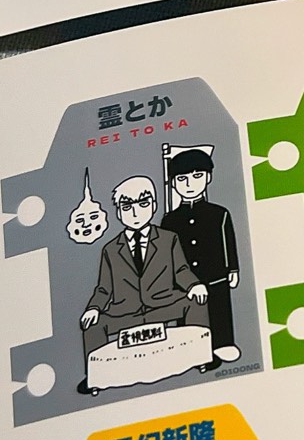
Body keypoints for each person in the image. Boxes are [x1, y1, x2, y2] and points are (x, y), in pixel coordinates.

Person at [78, 176, 208, 391]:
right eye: (127, 206)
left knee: (195, 302)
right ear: (118, 212)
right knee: (93, 324)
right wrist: (93, 308)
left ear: (154, 206)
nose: (135, 212)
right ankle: (96, 379)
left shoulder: (169, 239)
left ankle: (200, 358)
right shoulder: (110, 249)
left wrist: (194, 285)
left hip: (163, 304)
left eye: (143, 204)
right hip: (125, 312)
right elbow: (103, 289)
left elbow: (181, 270)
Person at [161, 147, 242, 371]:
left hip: (216, 275)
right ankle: (190, 349)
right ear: (173, 183)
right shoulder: (169, 220)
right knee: (188, 313)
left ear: (208, 177)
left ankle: (223, 343)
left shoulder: (219, 213)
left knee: (219, 307)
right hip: (184, 279)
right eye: (182, 178)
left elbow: (228, 242)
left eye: (197, 176)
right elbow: (167, 251)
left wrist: (233, 269)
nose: (189, 183)